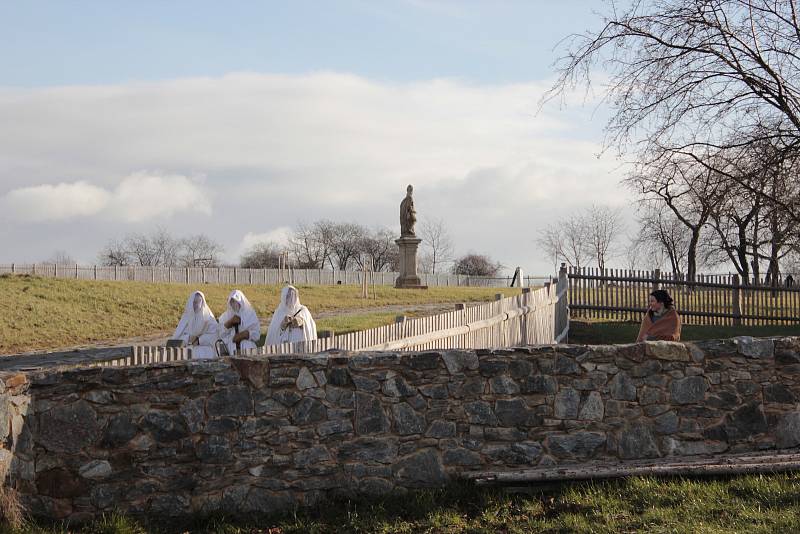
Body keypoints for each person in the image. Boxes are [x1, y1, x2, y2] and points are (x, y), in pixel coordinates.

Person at [172, 291, 219, 359]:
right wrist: (188, 338)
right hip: (188, 348)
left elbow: (215, 336)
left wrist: (200, 340)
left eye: (198, 301)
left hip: (205, 350)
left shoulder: (209, 318)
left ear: (202, 302)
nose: (196, 304)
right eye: (194, 302)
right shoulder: (186, 318)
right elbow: (177, 337)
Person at [218, 289, 261, 354]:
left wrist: (246, 334)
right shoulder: (225, 316)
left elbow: (257, 334)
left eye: (236, 301)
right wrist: (228, 324)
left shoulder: (250, 314)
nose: (234, 304)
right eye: (232, 301)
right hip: (231, 349)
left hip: (247, 348)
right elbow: (220, 335)